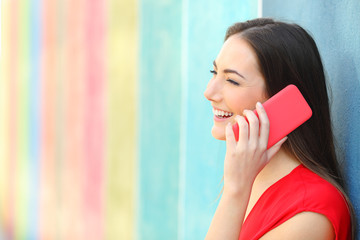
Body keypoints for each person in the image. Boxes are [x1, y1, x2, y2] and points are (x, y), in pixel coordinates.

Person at [204, 18, 354, 240]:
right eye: (214, 72)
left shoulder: (310, 212)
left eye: (232, 81)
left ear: (282, 99)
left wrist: (235, 192)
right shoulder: (250, 176)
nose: (209, 92)